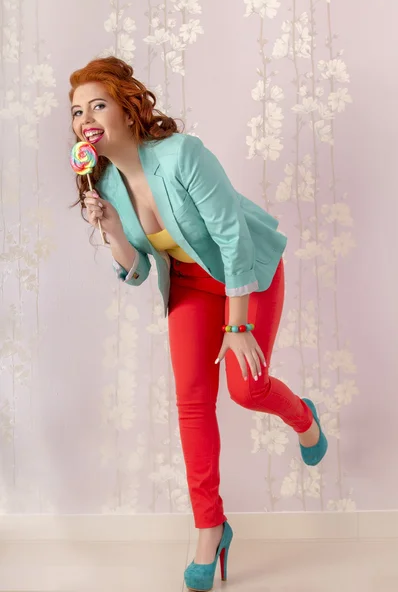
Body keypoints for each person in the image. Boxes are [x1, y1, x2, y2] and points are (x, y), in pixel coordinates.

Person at [69, 56, 328, 592]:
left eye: (97, 104)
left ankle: (303, 416)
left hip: (246, 273)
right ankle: (211, 527)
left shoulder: (182, 155)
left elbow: (232, 236)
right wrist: (112, 228)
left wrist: (238, 328)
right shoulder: (109, 184)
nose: (85, 118)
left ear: (127, 108)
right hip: (189, 287)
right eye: (76, 111)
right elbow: (137, 270)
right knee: (191, 402)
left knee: (247, 389)